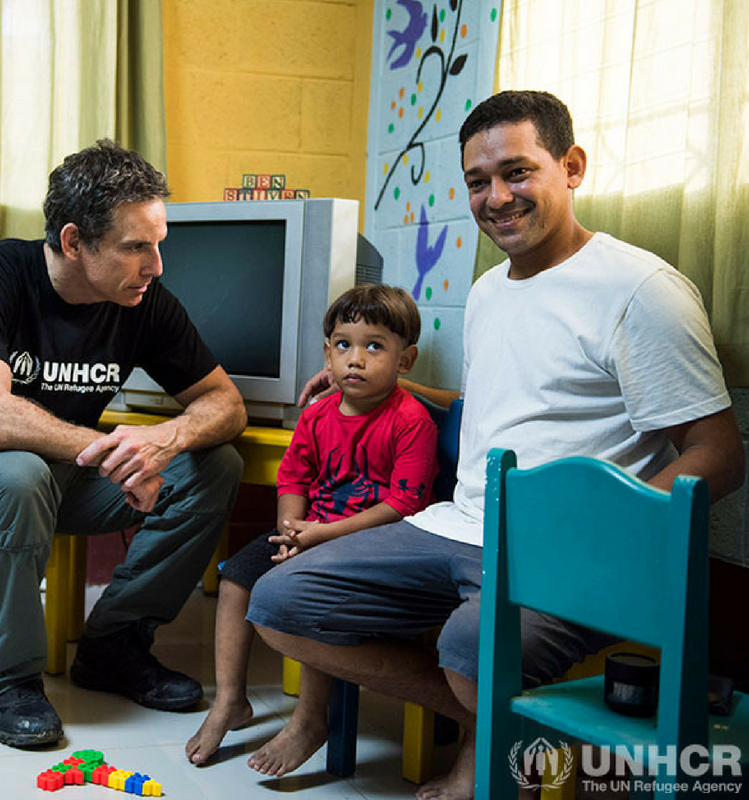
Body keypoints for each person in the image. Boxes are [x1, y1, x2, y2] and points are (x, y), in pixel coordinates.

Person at [247, 90, 745, 800]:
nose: (496, 197)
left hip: (569, 547)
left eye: (517, 172)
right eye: (478, 181)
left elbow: (719, 456)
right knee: (278, 602)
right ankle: (522, 734)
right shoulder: (488, 290)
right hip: (458, 524)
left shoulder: (640, 290)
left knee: (468, 648)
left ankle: (497, 746)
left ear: (571, 167)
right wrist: (383, 386)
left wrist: (585, 532)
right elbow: (502, 408)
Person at [0, 140, 247, 748]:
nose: (156, 265)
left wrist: (166, 439)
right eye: (136, 247)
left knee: (213, 465)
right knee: (15, 474)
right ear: (71, 242)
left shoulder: (142, 301)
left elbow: (226, 404)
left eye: (158, 243)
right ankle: (7, 681)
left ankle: (113, 645)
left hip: (62, 479)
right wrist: (112, 451)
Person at [185, 284, 440, 775]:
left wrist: (319, 536)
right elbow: (294, 477)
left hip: (373, 544)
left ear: (405, 360)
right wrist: (290, 531)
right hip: (310, 534)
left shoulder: (411, 421)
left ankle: (309, 718)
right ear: (327, 353)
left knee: (310, 598)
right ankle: (229, 703)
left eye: (374, 346)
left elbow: (406, 503)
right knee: (238, 578)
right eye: (343, 345)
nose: (356, 360)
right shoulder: (318, 414)